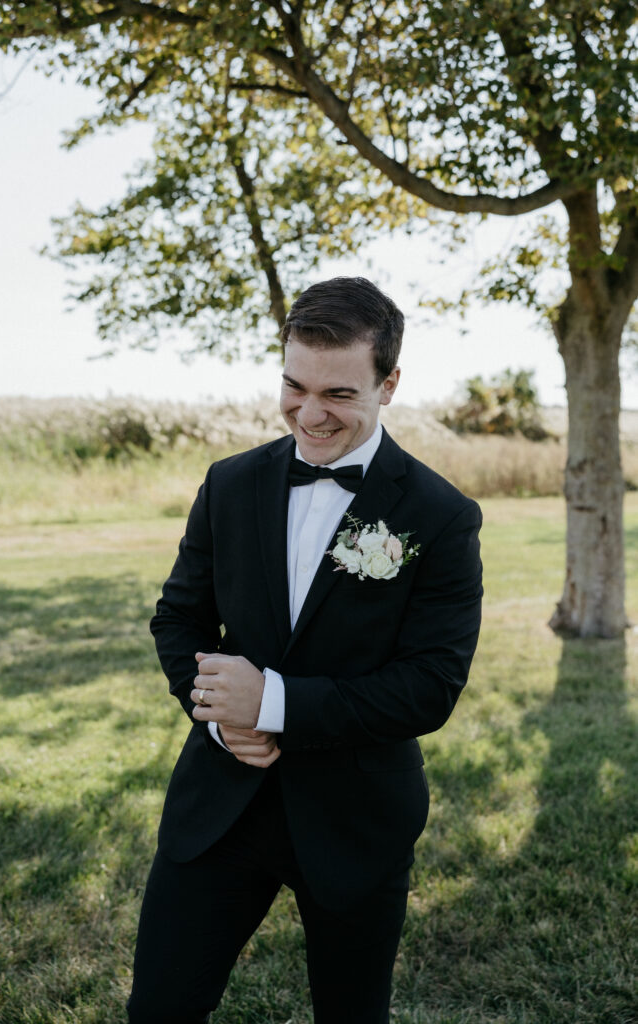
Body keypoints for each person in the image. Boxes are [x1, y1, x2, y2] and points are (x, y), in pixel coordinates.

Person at [127, 276, 483, 1024]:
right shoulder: (230, 484)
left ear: (389, 384)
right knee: (159, 1009)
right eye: (294, 385)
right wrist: (223, 719)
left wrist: (275, 703)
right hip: (219, 806)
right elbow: (178, 620)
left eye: (339, 394)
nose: (309, 413)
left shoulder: (440, 516)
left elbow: (430, 685)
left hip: (357, 818)